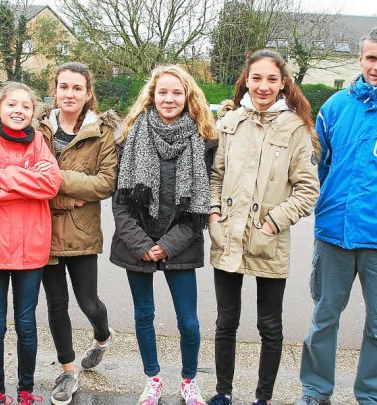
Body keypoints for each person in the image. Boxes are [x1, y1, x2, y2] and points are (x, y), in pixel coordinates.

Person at [295, 26, 377, 405]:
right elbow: (320, 166)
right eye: (371, 57)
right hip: (333, 233)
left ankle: (373, 395)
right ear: (360, 59)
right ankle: (315, 391)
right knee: (323, 319)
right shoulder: (336, 107)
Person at [205, 49, 320, 405]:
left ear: (283, 83)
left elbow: (307, 189)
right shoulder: (230, 123)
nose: (263, 86)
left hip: (269, 241)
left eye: (272, 79)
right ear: (247, 80)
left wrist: (272, 222)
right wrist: (213, 215)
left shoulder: (295, 127)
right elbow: (216, 175)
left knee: (269, 325)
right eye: (257, 78)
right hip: (228, 236)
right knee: (226, 322)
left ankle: (263, 398)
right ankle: (223, 391)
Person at [110, 64, 216, 405]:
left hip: (181, 243)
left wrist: (166, 246)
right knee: (144, 315)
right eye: (162, 92)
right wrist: (143, 245)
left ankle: (189, 381)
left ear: (188, 97)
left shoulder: (204, 140)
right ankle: (152, 380)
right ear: (151, 96)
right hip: (136, 243)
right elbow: (121, 204)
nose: (169, 99)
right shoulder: (129, 137)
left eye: (176, 92)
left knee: (189, 322)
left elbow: (199, 208)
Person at [0, 82, 62, 405]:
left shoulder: (38, 142)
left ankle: (25, 390)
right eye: (12, 105)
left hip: (30, 246)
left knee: (26, 324)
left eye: (26, 106)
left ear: (33, 113)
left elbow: (51, 184)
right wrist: (25, 177)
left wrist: (4, 175)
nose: (18, 111)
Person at [36, 62, 118, 405]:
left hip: (82, 232)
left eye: (77, 88)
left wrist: (56, 178)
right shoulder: (38, 128)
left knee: (88, 303)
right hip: (43, 230)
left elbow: (106, 183)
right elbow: (28, 176)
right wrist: (67, 196)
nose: (69, 94)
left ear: (88, 94)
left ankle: (103, 337)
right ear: (54, 90)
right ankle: (67, 371)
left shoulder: (102, 132)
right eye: (63, 87)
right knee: (56, 304)